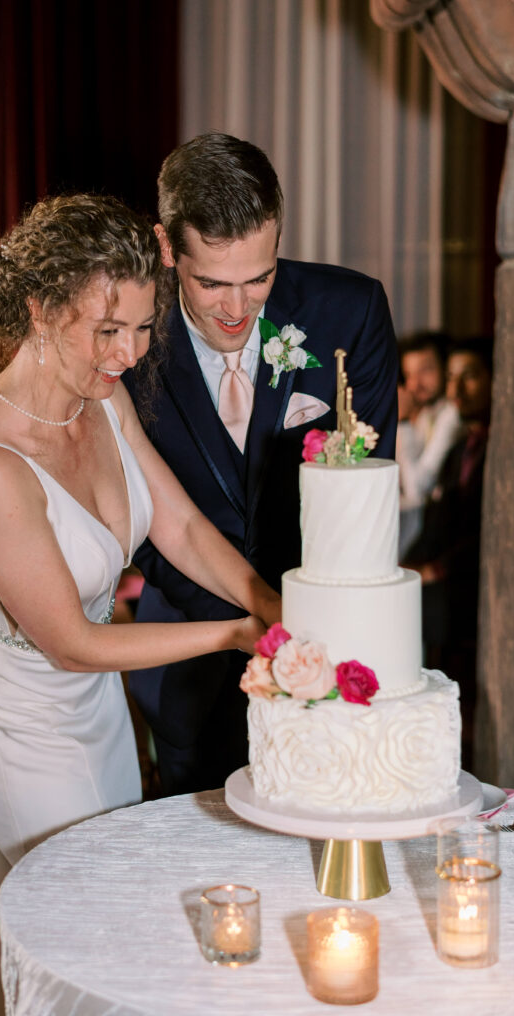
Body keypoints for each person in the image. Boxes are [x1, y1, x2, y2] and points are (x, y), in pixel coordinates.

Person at [0, 194, 280, 1016]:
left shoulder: (102, 397)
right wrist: (240, 635)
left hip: (96, 705)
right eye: (107, 330)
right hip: (19, 712)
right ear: (38, 306)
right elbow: (69, 641)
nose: (129, 354)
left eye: (141, 329)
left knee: (98, 896)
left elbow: (174, 523)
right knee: (80, 916)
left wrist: (273, 603)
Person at [123, 132, 398, 796]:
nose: (238, 310)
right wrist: (248, 624)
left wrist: (307, 624)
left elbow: (367, 475)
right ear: (166, 248)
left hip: (326, 640)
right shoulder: (124, 335)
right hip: (189, 651)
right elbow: (136, 514)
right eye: (211, 283)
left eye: (259, 279)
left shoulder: (349, 311)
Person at [404, 336, 493, 767]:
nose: (457, 390)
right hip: (454, 581)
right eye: (452, 378)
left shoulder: (500, 445)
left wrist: (437, 568)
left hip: (479, 585)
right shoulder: (463, 446)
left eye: (470, 377)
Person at [396, 332, 461, 558]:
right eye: (409, 374)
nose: (415, 384)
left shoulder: (452, 414)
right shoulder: (423, 414)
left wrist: (402, 421)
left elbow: (416, 488)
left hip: (444, 538)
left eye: (426, 370)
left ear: (446, 369)